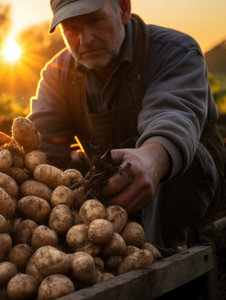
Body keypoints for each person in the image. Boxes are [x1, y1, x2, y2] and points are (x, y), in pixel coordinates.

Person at [28, 0, 226, 249]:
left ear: (123, 9)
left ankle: (161, 257)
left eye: (95, 20)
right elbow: (42, 147)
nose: (85, 40)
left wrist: (153, 159)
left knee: (178, 158)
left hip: (192, 190)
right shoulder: (57, 74)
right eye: (71, 28)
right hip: (114, 193)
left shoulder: (175, 50)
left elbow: (174, 115)